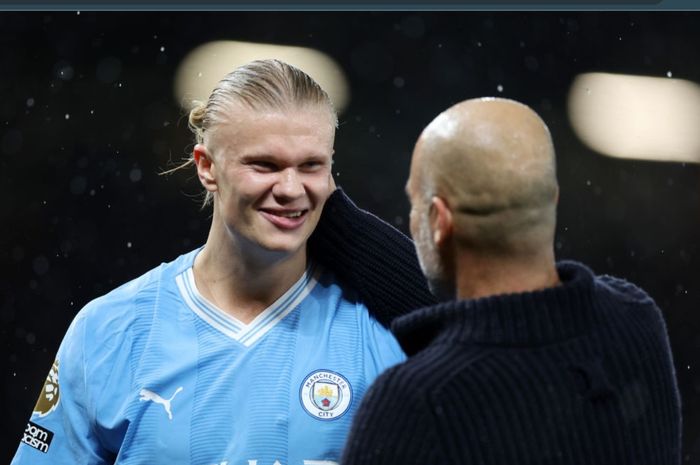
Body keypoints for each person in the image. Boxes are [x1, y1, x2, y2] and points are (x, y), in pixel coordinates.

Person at [11, 59, 435, 465]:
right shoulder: (108, 331)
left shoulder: (385, 333)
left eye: (311, 165)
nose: (290, 188)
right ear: (207, 167)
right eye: (264, 164)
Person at [342, 97, 682, 464]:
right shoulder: (636, 320)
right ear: (551, 198)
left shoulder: (418, 401)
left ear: (439, 221)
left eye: (414, 203)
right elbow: (491, 333)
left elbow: (475, 344)